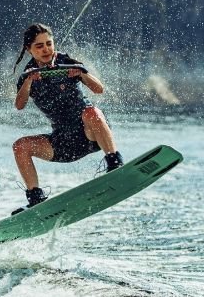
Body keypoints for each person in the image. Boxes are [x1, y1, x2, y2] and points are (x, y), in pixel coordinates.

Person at [12, 23, 123, 210]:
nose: (46, 49)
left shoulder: (66, 61)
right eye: (39, 46)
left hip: (91, 134)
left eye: (49, 43)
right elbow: (19, 105)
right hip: (63, 143)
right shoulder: (28, 74)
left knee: (92, 112)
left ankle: (114, 162)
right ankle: (35, 199)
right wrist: (29, 82)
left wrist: (81, 74)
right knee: (19, 146)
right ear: (29, 50)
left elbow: (99, 89)